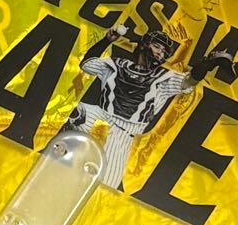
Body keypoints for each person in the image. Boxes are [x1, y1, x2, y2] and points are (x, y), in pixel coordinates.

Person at [65, 26, 230, 189]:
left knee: (103, 187)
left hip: (124, 134)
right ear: (144, 44)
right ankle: (63, 156)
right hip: (101, 117)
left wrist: (207, 64)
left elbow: (189, 81)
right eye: (157, 46)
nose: (160, 53)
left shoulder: (163, 78)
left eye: (164, 52)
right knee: (80, 111)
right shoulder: (117, 64)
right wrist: (107, 40)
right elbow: (87, 64)